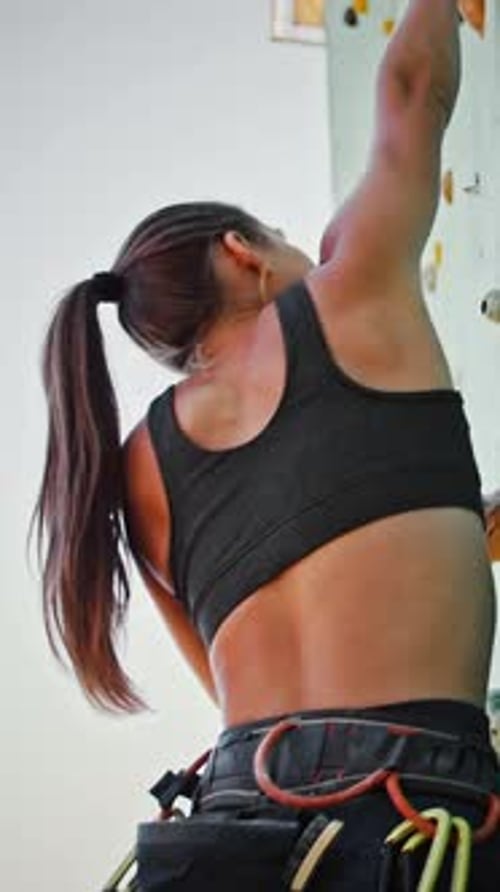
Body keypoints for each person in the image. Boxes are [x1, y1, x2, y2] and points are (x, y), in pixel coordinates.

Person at [34, 0, 500, 889]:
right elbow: (412, 85)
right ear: (244, 251)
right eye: (281, 237)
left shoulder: (137, 473)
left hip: (232, 824)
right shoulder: (347, 289)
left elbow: (262, 647)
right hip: (408, 812)